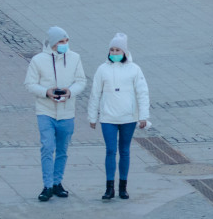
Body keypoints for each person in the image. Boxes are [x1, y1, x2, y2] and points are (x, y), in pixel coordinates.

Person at [24, 27, 87, 202]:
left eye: (66, 41)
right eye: (61, 41)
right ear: (53, 43)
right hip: (46, 111)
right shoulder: (38, 60)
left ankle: (58, 182)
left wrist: (70, 92)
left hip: (67, 111)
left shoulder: (75, 58)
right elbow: (29, 84)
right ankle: (47, 185)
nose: (64, 44)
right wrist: (46, 92)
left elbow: (81, 81)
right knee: (47, 147)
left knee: (62, 149)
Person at [88, 32, 149, 200]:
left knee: (124, 150)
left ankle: (123, 186)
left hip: (128, 117)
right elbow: (95, 93)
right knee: (110, 150)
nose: (114, 53)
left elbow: (142, 93)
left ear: (124, 52)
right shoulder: (102, 69)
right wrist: (92, 117)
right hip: (108, 117)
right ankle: (109, 187)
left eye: (117, 50)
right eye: (112, 50)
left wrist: (143, 116)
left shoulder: (134, 69)